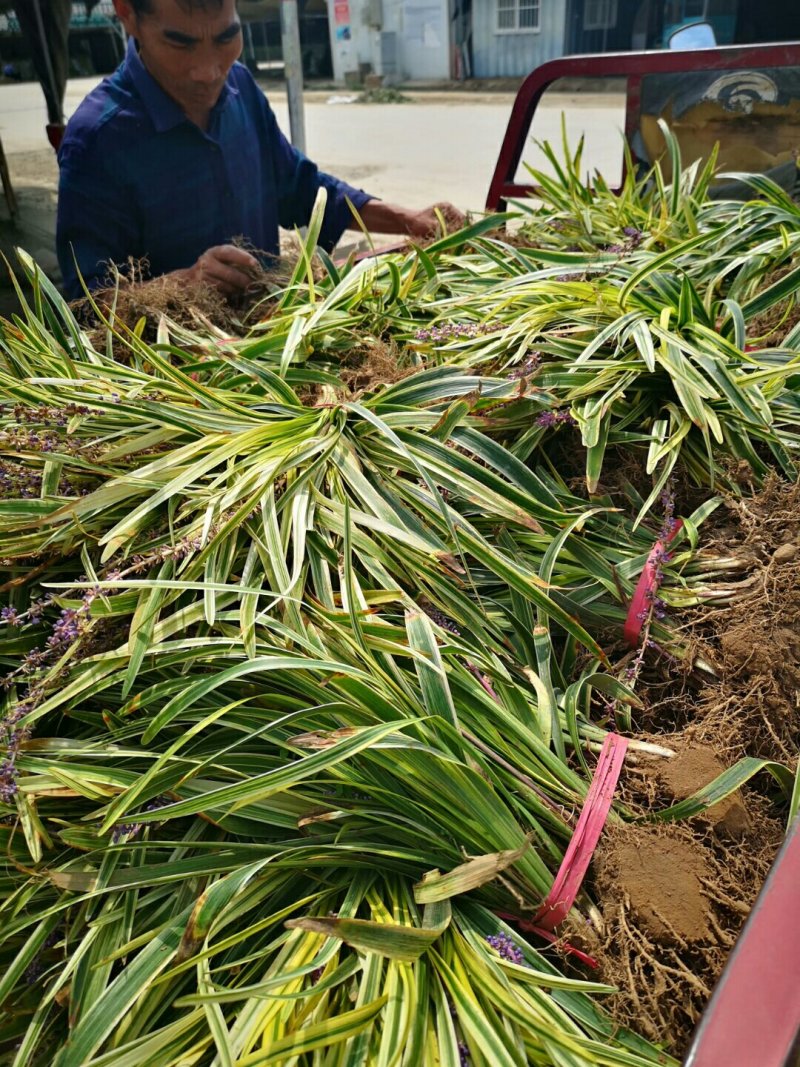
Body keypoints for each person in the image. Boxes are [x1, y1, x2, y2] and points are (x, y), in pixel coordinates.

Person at [56, 0, 466, 300]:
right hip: (188, 384)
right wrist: (184, 282)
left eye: (226, 37)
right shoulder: (98, 138)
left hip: (273, 337)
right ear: (127, 13)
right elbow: (85, 302)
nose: (210, 70)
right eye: (179, 44)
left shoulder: (241, 89)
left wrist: (408, 220)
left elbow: (300, 187)